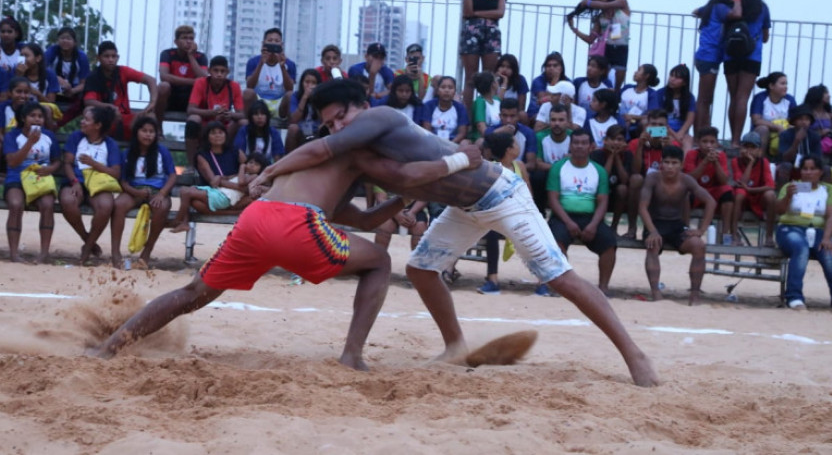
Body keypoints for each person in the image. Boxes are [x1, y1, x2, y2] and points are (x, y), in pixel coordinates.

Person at [255, 79, 660, 387]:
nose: (337, 127)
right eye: (329, 124)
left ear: (362, 105)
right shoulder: (361, 153)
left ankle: (635, 355)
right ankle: (455, 346)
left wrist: (270, 170)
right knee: (421, 269)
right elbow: (379, 201)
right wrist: (401, 203)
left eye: (341, 117)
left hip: (502, 193)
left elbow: (326, 151)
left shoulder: (380, 117)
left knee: (559, 278)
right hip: (465, 206)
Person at [86, 134, 485, 370]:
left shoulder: (312, 161)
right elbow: (403, 175)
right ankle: (351, 356)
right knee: (379, 261)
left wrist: (401, 201)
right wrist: (458, 160)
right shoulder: (355, 152)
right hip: (296, 224)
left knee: (193, 293)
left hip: (258, 220)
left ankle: (110, 347)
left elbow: (364, 219)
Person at [637, 145, 715, 305]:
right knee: (653, 244)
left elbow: (710, 202)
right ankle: (656, 293)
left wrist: (701, 230)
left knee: (699, 246)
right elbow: (642, 207)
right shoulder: (652, 178)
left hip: (676, 226)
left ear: (681, 165)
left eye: (674, 163)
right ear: (661, 163)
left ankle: (695, 295)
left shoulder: (686, 180)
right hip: (655, 224)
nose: (670, 167)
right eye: (666, 162)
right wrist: (652, 231)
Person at [548, 130, 618, 295]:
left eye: (584, 143)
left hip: (590, 218)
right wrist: (568, 222)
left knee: (609, 243)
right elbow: (553, 199)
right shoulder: (558, 167)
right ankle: (561, 286)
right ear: (570, 145)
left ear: (591, 147)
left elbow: (603, 201)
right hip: (563, 217)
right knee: (557, 244)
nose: (579, 146)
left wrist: (593, 225)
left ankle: (603, 287)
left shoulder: (599, 171)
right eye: (576, 143)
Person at [775, 154, 832, 313]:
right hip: (790, 227)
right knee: (800, 248)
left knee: (830, 254)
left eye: (812, 169)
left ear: (820, 172)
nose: (808, 172)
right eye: (805, 169)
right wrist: (788, 196)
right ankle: (794, 297)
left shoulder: (829, 190)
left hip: (818, 231)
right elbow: (779, 211)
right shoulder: (791, 187)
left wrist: (827, 238)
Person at [476, 131, 540, 295]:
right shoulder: (491, 168)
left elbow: (528, 194)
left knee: (535, 233)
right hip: (497, 216)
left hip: (519, 214)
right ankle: (492, 280)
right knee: (491, 232)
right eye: (515, 143)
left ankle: (543, 282)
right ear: (509, 150)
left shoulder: (520, 166)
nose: (518, 146)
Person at [111, 115, 176, 270]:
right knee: (118, 205)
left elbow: (173, 176)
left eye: (151, 131)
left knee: (161, 207)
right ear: (137, 132)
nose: (148, 135)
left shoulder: (162, 151)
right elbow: (123, 181)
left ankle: (146, 253)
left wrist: (162, 194)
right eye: (144, 131)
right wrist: (135, 192)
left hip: (157, 190)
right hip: (134, 190)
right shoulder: (128, 153)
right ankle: (115, 253)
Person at [169, 124, 262, 232]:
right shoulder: (202, 155)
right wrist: (238, 186)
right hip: (214, 193)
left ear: (225, 135)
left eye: (220, 132)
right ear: (207, 137)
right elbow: (213, 182)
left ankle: (179, 221)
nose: (217, 135)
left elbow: (249, 172)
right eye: (213, 133)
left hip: (235, 196)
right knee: (195, 203)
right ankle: (233, 212)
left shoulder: (236, 151)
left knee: (255, 197)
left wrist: (225, 180)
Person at [59, 106, 121, 264]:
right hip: (76, 181)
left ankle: (86, 249)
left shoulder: (110, 144)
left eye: (86, 120)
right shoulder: (76, 137)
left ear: (98, 125)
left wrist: (93, 164)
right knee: (68, 201)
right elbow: (67, 163)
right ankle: (88, 240)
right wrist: (74, 182)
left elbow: (115, 173)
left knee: (106, 206)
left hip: (98, 184)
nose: (82, 122)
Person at [3, 102, 61, 263]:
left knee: (47, 205)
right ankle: (14, 254)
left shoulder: (49, 136)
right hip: (17, 177)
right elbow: (12, 162)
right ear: (23, 118)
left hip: (40, 178)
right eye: (32, 116)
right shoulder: (12, 136)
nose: (37, 120)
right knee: (15, 204)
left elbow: (57, 161)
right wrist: (30, 142)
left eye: (40, 116)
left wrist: (50, 169)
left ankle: (44, 253)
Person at [723, 0, 771, 146]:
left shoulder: (732, 7)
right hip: (752, 56)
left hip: (730, 55)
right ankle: (737, 140)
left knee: (733, 97)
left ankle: (732, 138)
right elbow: (765, 37)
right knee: (743, 98)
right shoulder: (762, 8)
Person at [82, 41, 158, 141]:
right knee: (88, 110)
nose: (111, 60)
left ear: (117, 58)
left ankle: (146, 150)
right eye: (106, 56)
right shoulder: (93, 76)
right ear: (98, 58)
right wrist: (110, 107)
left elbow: (151, 80)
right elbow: (88, 101)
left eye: (113, 56)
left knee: (150, 116)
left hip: (125, 119)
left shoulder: (123, 71)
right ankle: (95, 145)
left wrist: (152, 103)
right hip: (104, 120)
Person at [624, 109, 681, 240]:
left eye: (660, 125)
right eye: (653, 124)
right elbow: (635, 170)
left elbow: (674, 174)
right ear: (647, 126)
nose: (656, 128)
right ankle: (632, 227)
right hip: (642, 186)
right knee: (636, 179)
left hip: (663, 185)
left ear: (666, 128)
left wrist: (668, 149)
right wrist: (640, 146)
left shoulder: (674, 145)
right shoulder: (635, 143)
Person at [692, 0, 741, 134]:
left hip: (704, 55)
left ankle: (704, 132)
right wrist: (738, 1)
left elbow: (695, 11)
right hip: (710, 56)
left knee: (705, 99)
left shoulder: (711, 7)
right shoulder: (720, 8)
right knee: (704, 100)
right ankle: (700, 135)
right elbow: (736, 14)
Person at [459, 0, 506, 111]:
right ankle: (467, 115)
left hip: (491, 34)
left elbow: (500, 13)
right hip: (471, 34)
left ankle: (488, 112)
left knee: (489, 76)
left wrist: (477, 13)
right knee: (470, 78)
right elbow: (467, 12)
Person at [185, 55, 245, 169]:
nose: (219, 74)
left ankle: (244, 163)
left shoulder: (234, 86)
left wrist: (230, 114)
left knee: (243, 123)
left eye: (222, 71)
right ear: (209, 71)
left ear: (227, 72)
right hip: (205, 127)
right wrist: (212, 113)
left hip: (225, 128)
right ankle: (191, 165)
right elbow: (190, 109)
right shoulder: (201, 82)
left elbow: (242, 114)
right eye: (216, 70)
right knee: (193, 119)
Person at [567, 0, 631, 89]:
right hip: (607, 48)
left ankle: (615, 95)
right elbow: (590, 39)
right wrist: (574, 29)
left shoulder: (622, 3)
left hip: (621, 48)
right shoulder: (600, 17)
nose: (598, 2)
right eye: (595, 0)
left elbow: (605, 5)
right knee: (603, 79)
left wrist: (588, 2)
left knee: (619, 76)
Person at [684, 126, 735, 244]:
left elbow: (724, 181)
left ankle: (725, 234)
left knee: (728, 192)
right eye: (705, 141)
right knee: (685, 193)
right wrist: (705, 161)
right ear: (698, 143)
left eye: (712, 142)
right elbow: (689, 179)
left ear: (717, 144)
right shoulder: (692, 154)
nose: (708, 145)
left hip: (713, 191)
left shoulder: (721, 156)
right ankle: (685, 229)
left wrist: (716, 162)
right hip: (696, 191)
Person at [156, 25, 208, 135]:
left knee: (205, 92)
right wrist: (193, 82)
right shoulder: (167, 54)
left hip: (191, 98)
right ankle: (158, 128)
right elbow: (164, 76)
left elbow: (204, 79)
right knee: (163, 86)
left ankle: (200, 135)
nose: (188, 41)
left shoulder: (200, 57)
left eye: (191, 38)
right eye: (184, 38)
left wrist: (191, 56)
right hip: (171, 97)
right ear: (176, 42)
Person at [730, 132, 777, 247]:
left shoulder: (763, 162)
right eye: (746, 147)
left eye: (753, 147)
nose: (749, 150)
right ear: (741, 148)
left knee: (770, 195)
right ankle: (734, 235)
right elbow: (742, 183)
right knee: (740, 193)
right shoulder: (736, 161)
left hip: (758, 196)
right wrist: (750, 163)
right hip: (743, 199)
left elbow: (770, 186)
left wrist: (751, 190)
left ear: (759, 151)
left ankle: (769, 237)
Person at [244, 28, 296, 117]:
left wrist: (282, 66)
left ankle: (289, 123)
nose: (273, 43)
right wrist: (261, 63)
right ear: (263, 43)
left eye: (276, 41)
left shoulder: (289, 64)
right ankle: (248, 122)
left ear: (281, 45)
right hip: (259, 100)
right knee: (248, 93)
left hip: (280, 103)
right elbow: (249, 86)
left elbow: (290, 89)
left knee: (291, 95)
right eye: (270, 40)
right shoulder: (253, 62)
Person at [44, 27, 91, 126]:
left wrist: (72, 91)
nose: (65, 41)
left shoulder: (81, 57)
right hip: (54, 89)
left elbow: (84, 83)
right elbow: (41, 69)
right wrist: (57, 79)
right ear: (58, 40)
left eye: (68, 38)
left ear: (75, 42)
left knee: (84, 98)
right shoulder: (52, 51)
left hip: (73, 91)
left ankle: (61, 123)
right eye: (62, 38)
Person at [532, 104, 572, 214]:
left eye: (561, 120)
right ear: (549, 121)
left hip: (569, 174)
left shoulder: (573, 136)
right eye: (553, 120)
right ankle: (540, 213)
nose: (557, 123)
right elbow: (538, 164)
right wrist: (562, 165)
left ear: (567, 122)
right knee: (537, 176)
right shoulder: (540, 137)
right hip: (548, 174)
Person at [591, 124, 632, 231]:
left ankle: (614, 227)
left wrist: (616, 157)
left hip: (618, 197)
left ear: (625, 142)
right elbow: (602, 179)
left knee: (623, 189)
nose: (615, 143)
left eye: (619, 139)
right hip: (600, 194)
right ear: (605, 140)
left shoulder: (628, 155)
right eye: (612, 139)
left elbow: (624, 180)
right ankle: (599, 225)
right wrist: (611, 156)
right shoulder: (596, 154)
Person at [750, 72, 796, 158]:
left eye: (786, 84)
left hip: (783, 132)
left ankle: (785, 160)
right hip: (763, 133)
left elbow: (794, 120)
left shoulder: (790, 100)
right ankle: (761, 160)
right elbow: (756, 120)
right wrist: (776, 127)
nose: (786, 87)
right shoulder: (760, 98)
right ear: (771, 86)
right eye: (782, 84)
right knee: (763, 129)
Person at [652, 64, 696, 153]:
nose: (672, 79)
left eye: (677, 77)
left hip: (680, 131)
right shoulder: (660, 93)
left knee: (688, 140)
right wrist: (675, 135)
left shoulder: (690, 97)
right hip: (660, 129)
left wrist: (681, 133)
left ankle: (683, 162)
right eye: (671, 75)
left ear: (684, 82)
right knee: (668, 139)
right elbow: (657, 117)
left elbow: (690, 119)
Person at [15, 43, 61, 126]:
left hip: (41, 107)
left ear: (38, 58)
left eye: (26, 56)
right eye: (21, 55)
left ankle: (47, 133)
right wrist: (19, 77)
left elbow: (51, 102)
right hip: (21, 105)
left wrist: (38, 94)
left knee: (47, 110)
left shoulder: (49, 74)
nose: (23, 59)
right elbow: (12, 97)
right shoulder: (16, 71)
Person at [484, 98, 537, 169]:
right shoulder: (492, 130)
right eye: (505, 116)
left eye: (512, 116)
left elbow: (531, 164)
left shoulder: (528, 133)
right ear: (500, 116)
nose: (508, 120)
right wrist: (499, 132)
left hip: (519, 170)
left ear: (518, 116)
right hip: (496, 170)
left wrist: (511, 169)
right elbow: (486, 144)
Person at [777, 105, 822, 184]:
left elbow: (818, 158)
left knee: (826, 169)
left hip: (809, 167)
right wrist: (796, 141)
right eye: (800, 119)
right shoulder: (785, 134)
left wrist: (808, 167)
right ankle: (782, 191)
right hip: (791, 167)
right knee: (785, 166)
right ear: (794, 121)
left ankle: (822, 190)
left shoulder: (815, 136)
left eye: (807, 119)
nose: (804, 122)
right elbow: (785, 158)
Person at [803, 84, 832, 166]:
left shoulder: (831, 115)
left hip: (829, 142)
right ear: (817, 95)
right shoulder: (807, 114)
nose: (829, 96)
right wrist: (820, 133)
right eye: (826, 93)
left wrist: (829, 132)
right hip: (812, 141)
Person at [281, 68, 321, 154]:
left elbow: (323, 119)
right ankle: (289, 160)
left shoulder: (322, 96)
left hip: (316, 132)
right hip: (300, 132)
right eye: (307, 82)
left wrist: (316, 99)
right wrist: (304, 98)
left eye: (313, 83)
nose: (310, 86)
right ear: (302, 83)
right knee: (293, 128)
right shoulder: (295, 96)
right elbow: (294, 120)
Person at [233, 99, 284, 165]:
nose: (260, 117)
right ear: (251, 117)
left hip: (268, 168)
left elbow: (277, 159)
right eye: (256, 114)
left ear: (267, 117)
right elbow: (239, 152)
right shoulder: (244, 131)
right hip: (247, 167)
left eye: (263, 114)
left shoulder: (273, 132)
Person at [421, 76, 469, 143]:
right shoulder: (429, 106)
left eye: (450, 88)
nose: (446, 90)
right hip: (432, 142)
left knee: (465, 143)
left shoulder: (460, 108)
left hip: (453, 143)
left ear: (455, 91)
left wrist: (449, 144)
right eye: (443, 87)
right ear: (437, 90)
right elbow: (427, 130)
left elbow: (462, 133)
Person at [620, 64, 660, 139]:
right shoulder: (627, 88)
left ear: (647, 76)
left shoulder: (651, 94)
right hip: (621, 119)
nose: (635, 72)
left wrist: (632, 117)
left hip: (637, 122)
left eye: (639, 70)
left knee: (659, 129)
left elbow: (652, 115)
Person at [529, 52, 570, 122]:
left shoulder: (568, 82)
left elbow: (570, 101)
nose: (551, 68)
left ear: (561, 68)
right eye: (548, 66)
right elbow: (544, 102)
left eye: (555, 66)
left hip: (560, 114)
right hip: (537, 113)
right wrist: (555, 78)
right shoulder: (538, 81)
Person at [493, 54, 530, 124]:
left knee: (523, 115)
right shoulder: (494, 80)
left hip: (514, 114)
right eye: (502, 66)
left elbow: (521, 107)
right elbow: (495, 103)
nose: (504, 69)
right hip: (498, 113)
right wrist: (503, 83)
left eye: (508, 67)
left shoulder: (520, 80)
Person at [470, 71, 501, 141]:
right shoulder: (480, 102)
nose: (498, 82)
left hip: (498, 137)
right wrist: (502, 130)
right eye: (497, 80)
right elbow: (482, 130)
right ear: (493, 84)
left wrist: (505, 83)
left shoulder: (497, 100)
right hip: (482, 139)